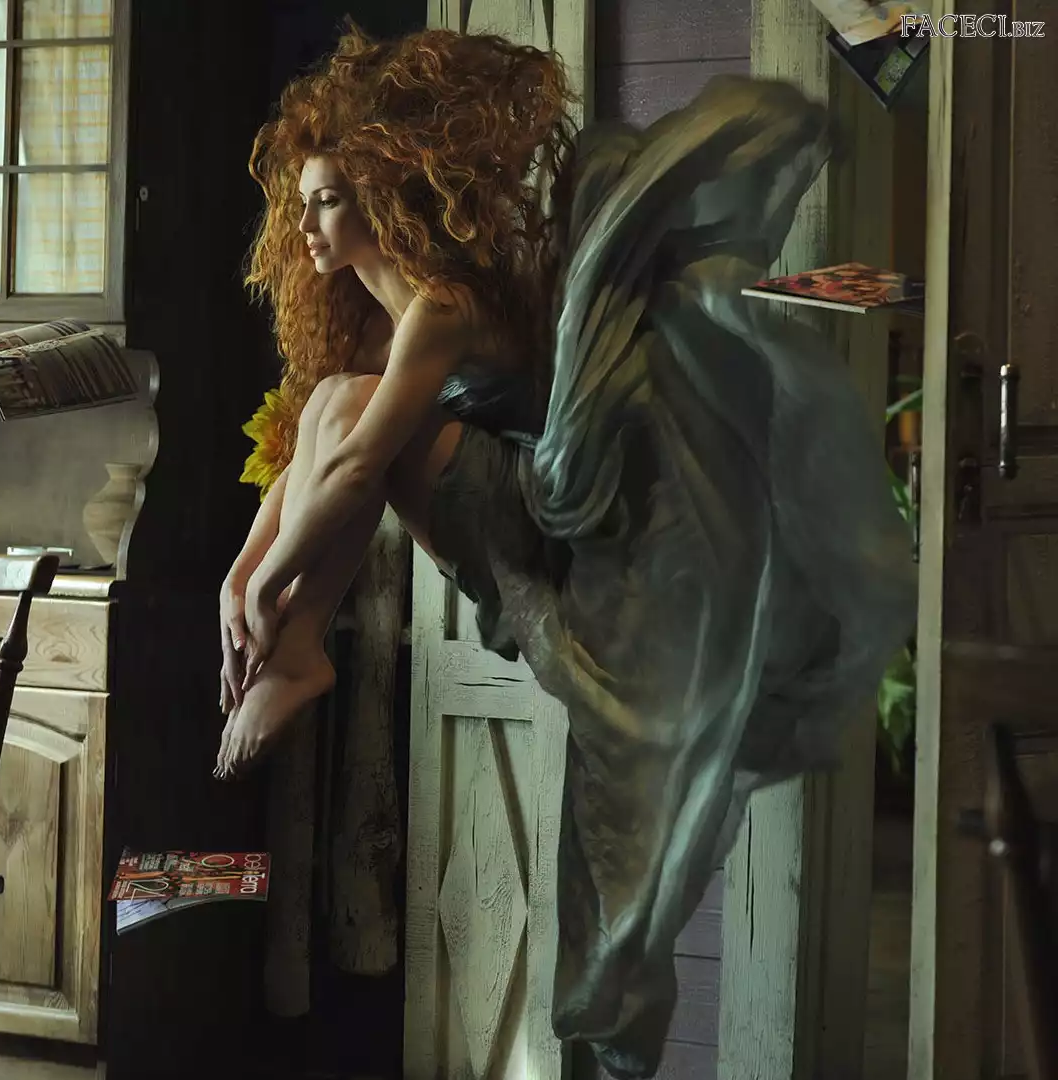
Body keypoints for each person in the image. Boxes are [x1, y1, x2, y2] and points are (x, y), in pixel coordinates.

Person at [214, 25, 913, 1079]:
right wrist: (239, 577)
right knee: (331, 403)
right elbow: (312, 454)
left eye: (326, 201)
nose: (306, 225)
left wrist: (269, 590)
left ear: (384, 198)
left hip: (551, 525)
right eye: (303, 203)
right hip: (491, 513)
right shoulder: (372, 323)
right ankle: (301, 647)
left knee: (351, 417)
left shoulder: (440, 304)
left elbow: (356, 470)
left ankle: (299, 646)